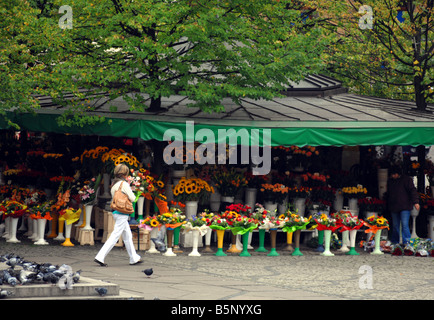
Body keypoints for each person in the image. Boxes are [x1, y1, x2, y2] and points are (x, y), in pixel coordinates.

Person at [94, 164, 142, 266]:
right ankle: (100, 256)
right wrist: (137, 192)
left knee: (127, 236)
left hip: (116, 212)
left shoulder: (113, 185)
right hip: (122, 213)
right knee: (115, 235)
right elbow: (133, 198)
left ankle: (134, 258)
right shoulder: (124, 184)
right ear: (125, 174)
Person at [386, 165, 420, 245]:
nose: (393, 176)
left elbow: (413, 191)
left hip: (405, 206)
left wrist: (416, 202)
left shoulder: (407, 180)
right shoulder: (390, 181)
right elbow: (388, 193)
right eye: (392, 174)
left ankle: (407, 243)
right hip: (394, 206)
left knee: (405, 225)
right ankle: (395, 242)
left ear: (398, 173)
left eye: (395, 174)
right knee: (395, 226)